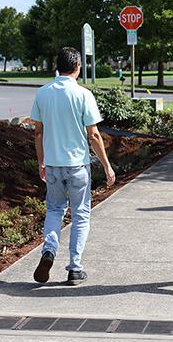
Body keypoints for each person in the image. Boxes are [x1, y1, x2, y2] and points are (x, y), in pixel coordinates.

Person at [30, 47, 115, 285]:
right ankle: (75, 268)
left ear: (58, 66)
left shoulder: (42, 93)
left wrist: (41, 162)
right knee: (80, 214)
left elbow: (38, 132)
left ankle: (49, 250)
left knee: (55, 210)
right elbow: (94, 135)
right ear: (78, 67)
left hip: (54, 165)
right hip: (78, 165)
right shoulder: (83, 94)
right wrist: (107, 166)